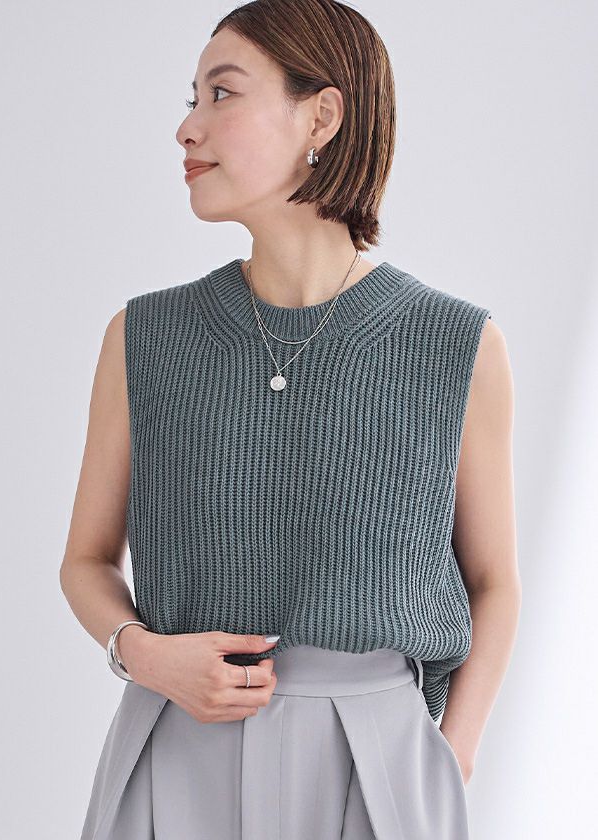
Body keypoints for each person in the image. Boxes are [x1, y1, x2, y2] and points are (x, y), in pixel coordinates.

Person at [60, 2, 520, 838]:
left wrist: (449, 757)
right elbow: (86, 560)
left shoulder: (457, 344)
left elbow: (493, 581)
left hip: (375, 763)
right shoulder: (144, 336)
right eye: (192, 98)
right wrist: (144, 653)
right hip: (177, 744)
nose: (187, 127)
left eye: (222, 93)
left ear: (321, 116)